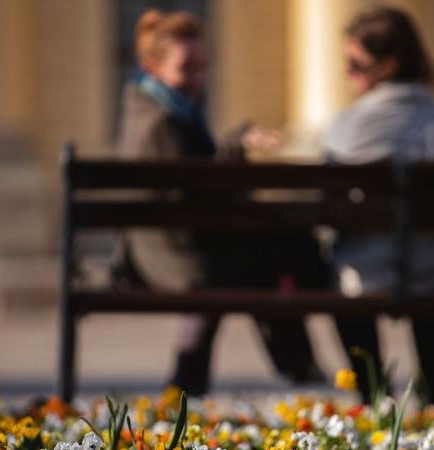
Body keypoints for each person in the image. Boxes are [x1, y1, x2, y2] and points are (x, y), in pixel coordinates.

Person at [115, 9, 325, 395]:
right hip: (175, 254)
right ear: (152, 66)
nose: (197, 78)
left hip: (173, 245)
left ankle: (190, 377)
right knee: (275, 256)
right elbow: (203, 192)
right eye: (187, 67)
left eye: (203, 66)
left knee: (270, 253)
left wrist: (233, 144)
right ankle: (298, 362)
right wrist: (236, 147)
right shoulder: (161, 122)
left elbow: (198, 182)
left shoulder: (158, 109)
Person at [324, 6, 434, 403]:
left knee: (344, 281)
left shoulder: (344, 128)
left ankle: (372, 397)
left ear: (387, 66)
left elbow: (328, 207)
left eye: (355, 64)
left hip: (363, 275)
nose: (346, 73)